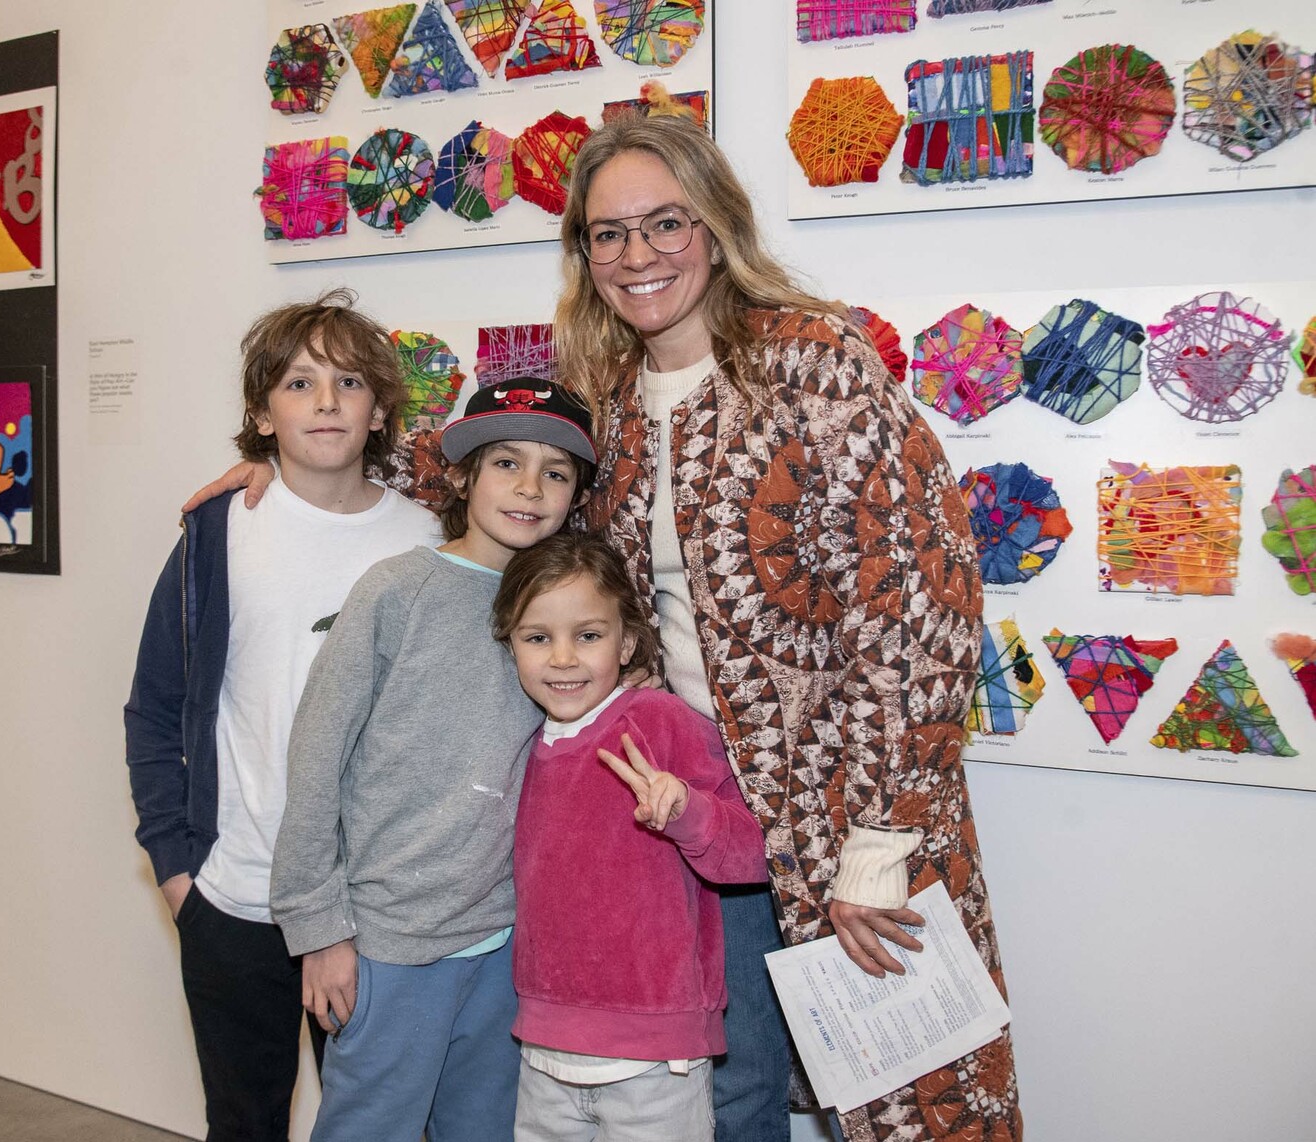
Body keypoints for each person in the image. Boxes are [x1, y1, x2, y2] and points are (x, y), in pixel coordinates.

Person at [186, 116, 1022, 1142]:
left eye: (664, 223)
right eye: (607, 234)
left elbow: (920, 598)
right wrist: (309, 459)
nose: (637, 256)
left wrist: (879, 840)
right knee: (735, 1083)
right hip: (680, 805)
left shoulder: (814, 364)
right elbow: (505, 470)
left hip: (825, 814)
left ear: (715, 229)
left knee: (891, 1091)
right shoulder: (616, 396)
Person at [123, 289, 440, 1141]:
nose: (327, 401)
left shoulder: (430, 541)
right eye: (299, 384)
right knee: (244, 1121)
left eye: (348, 381)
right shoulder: (218, 533)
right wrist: (176, 864)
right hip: (234, 897)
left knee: (377, 1125)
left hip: (373, 905)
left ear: (380, 411)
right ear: (262, 414)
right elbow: (155, 704)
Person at [267, 382, 597, 1142]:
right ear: (462, 477)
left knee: (483, 1128)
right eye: (506, 462)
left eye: (555, 472)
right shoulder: (397, 591)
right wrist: (318, 930)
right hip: (390, 942)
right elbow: (316, 760)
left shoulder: (563, 610)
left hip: (504, 939)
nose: (528, 486)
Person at [493, 531, 768, 1142]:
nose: (563, 659)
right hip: (543, 1051)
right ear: (510, 644)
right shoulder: (522, 740)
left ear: (628, 642)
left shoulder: (660, 721)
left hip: (656, 1061)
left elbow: (754, 854)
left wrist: (688, 812)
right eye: (539, 639)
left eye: (587, 635)